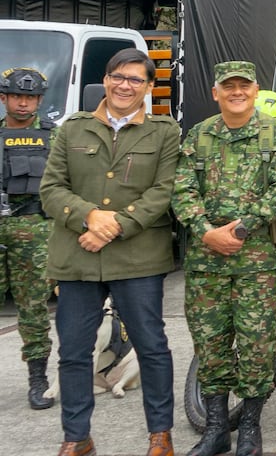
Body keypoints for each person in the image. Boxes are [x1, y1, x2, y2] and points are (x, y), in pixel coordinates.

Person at [40, 48, 181, 456]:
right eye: (118, 76)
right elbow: (51, 188)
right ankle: (76, 437)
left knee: (151, 346)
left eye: (136, 79)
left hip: (138, 256)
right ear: (105, 80)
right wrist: (89, 217)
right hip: (78, 256)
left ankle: (160, 434)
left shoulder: (165, 132)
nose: (125, 85)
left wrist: (115, 224)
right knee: (74, 351)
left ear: (149, 88)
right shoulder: (73, 128)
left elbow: (164, 190)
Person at [173, 61, 276, 456]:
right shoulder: (199, 135)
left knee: (257, 345)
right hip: (206, 262)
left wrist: (242, 228)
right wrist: (207, 231)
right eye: (229, 87)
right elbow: (182, 189)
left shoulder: (275, 136)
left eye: (244, 86)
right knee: (210, 344)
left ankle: (249, 428)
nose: (237, 92)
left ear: (255, 89)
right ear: (216, 92)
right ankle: (215, 430)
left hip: (256, 263)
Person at [0, 66, 57, 410]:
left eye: (30, 97)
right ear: (4, 98)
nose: (23, 104)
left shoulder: (54, 136)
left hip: (35, 228)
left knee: (33, 308)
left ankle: (38, 378)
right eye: (17, 96)